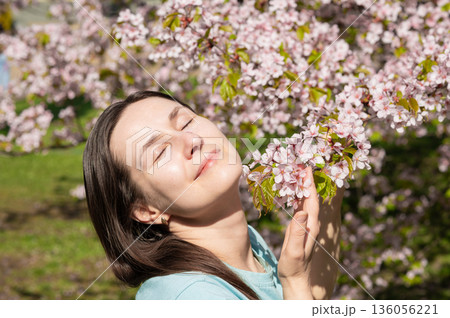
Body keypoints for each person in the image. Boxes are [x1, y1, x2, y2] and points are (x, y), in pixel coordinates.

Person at [83, 90, 344, 300]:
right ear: (146, 210)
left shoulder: (248, 245)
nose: (191, 140)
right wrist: (294, 280)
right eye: (160, 152)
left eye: (185, 122)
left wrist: (331, 185)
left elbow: (311, 298)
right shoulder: (188, 297)